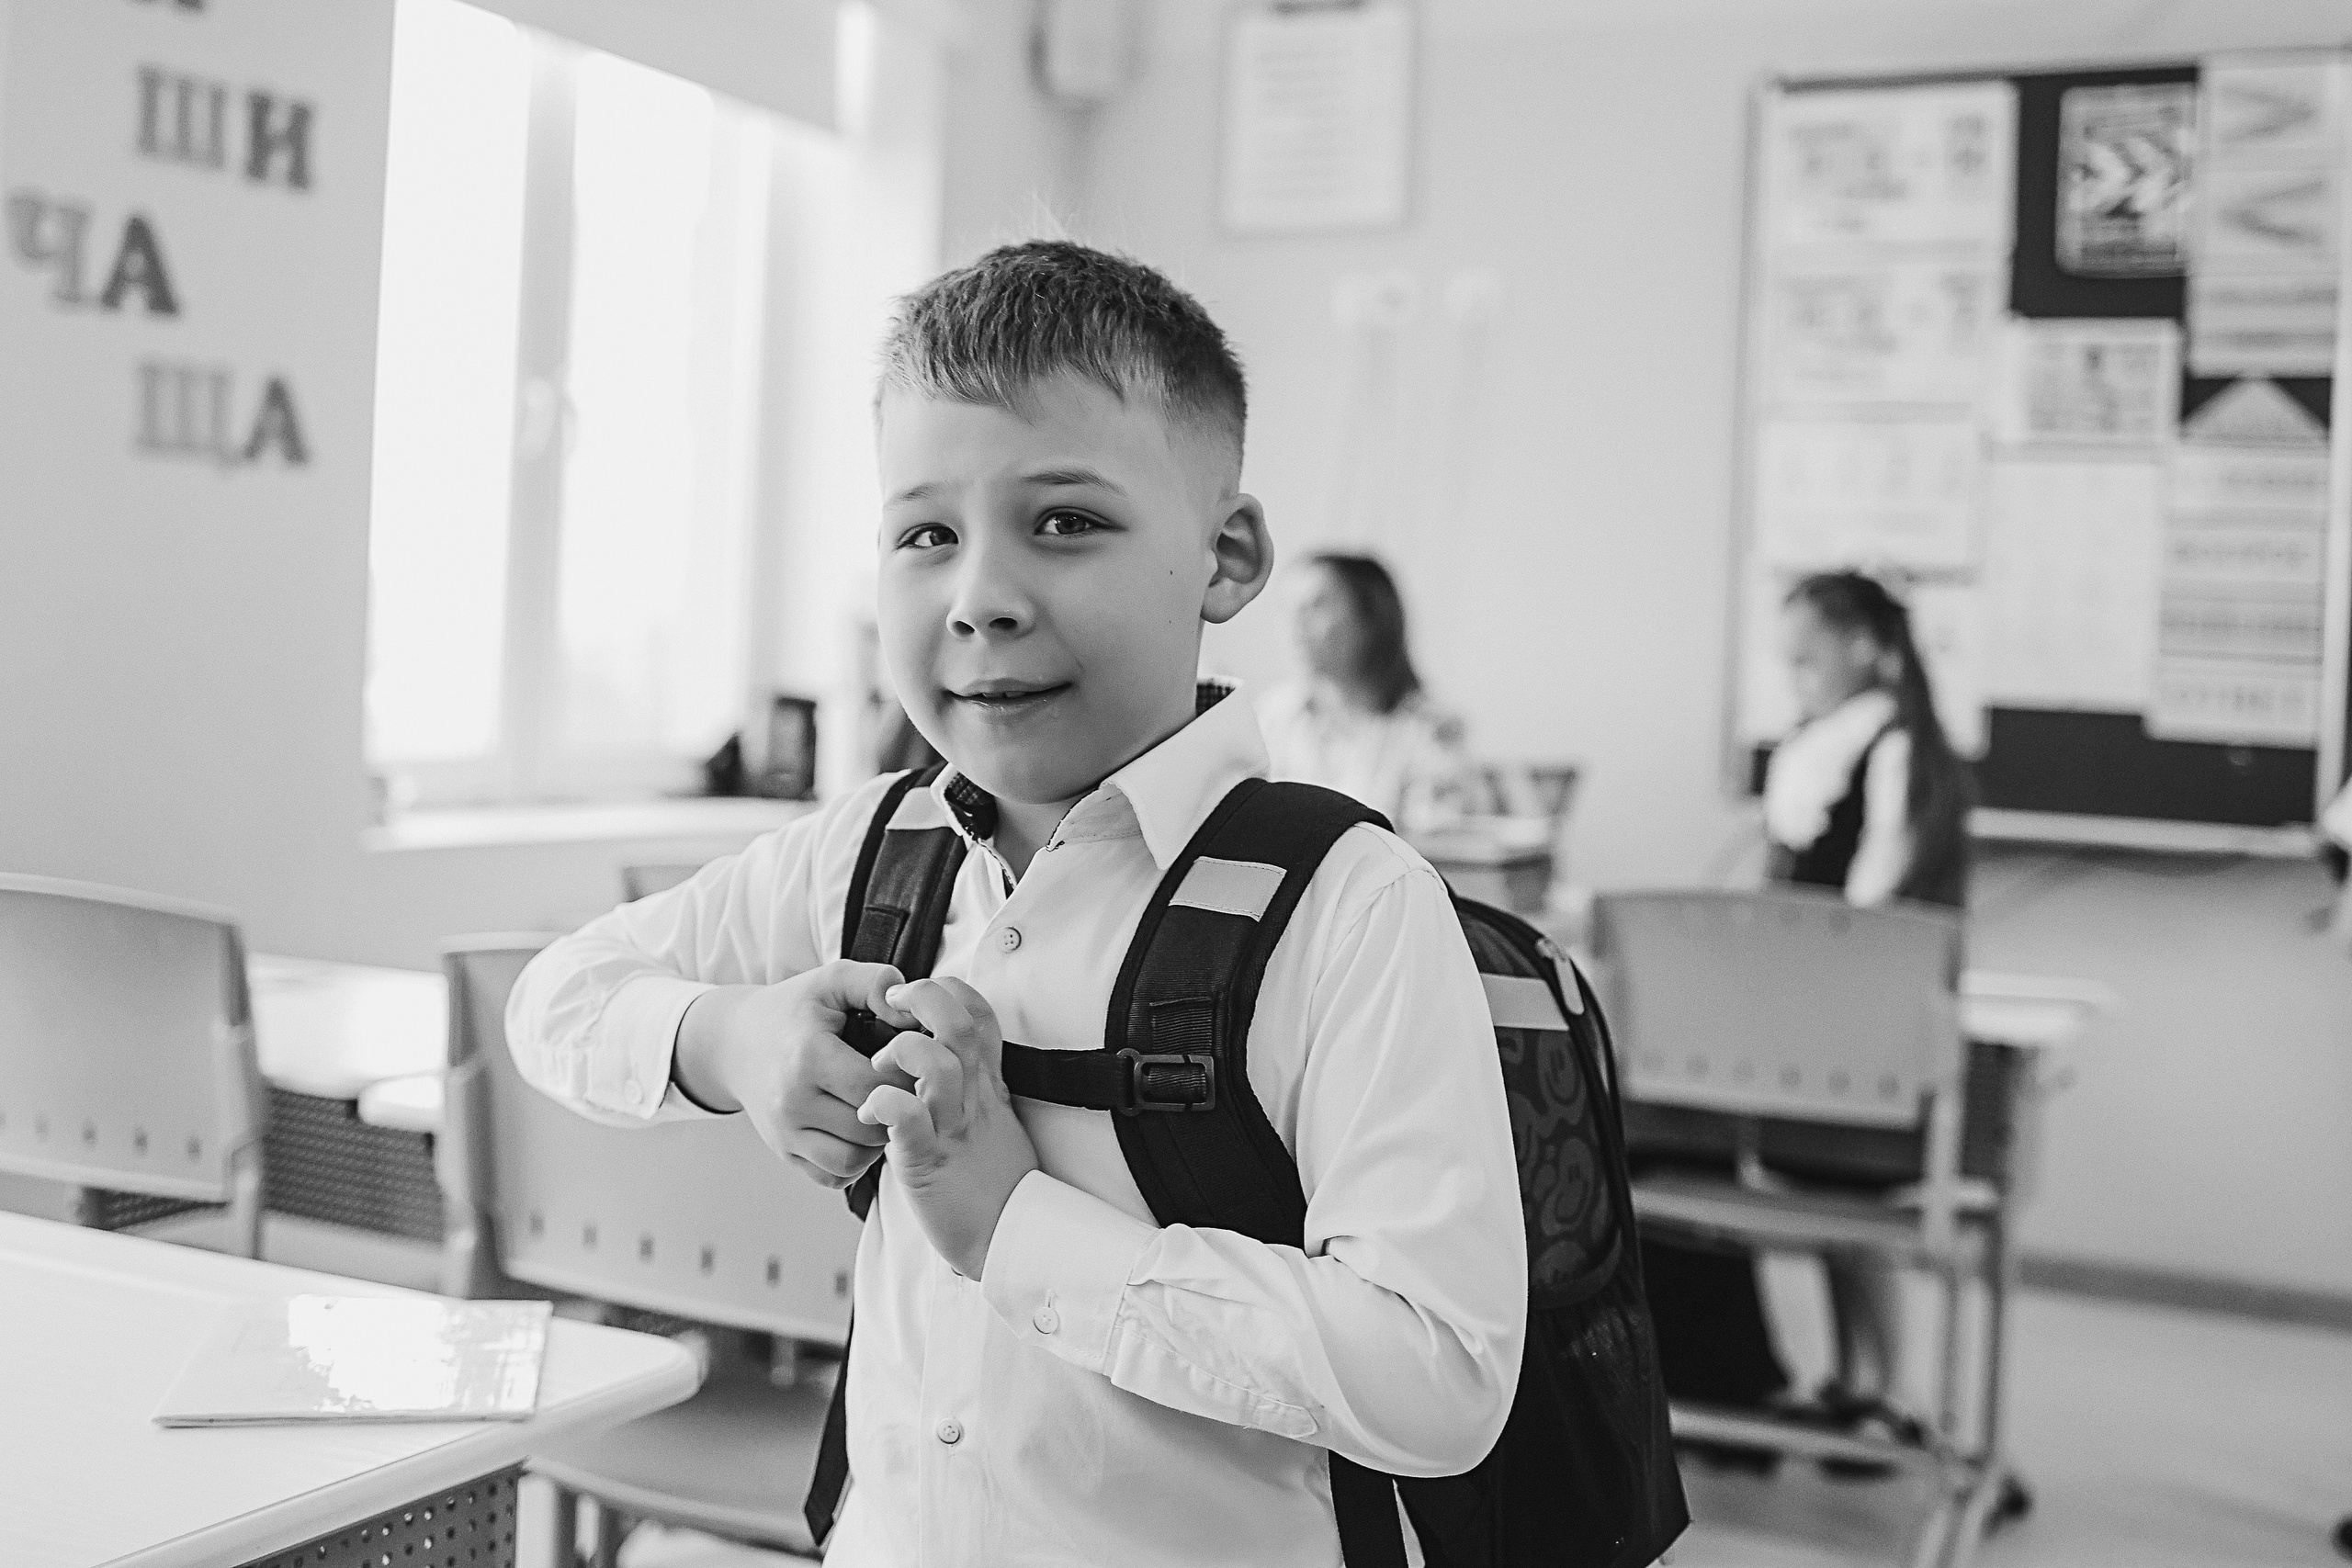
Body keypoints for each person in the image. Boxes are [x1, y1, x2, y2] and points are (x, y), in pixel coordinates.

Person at [506, 241, 1526, 1565]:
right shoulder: (869, 846)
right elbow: (558, 994)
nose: (981, 598)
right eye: (926, 533)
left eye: (1066, 521)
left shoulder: (1347, 903)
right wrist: (730, 1038)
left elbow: (1439, 1373)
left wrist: (1018, 1231)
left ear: (1226, 555)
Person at [1638, 570, 1974, 1473]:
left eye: (1807, 656)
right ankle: (1841, 1388)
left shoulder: (1896, 748)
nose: (1795, 676)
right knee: (1822, 1198)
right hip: (1799, 1021)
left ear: (1864, 646)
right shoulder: (1817, 745)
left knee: (1853, 1200)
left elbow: (1875, 903)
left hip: (1857, 1018)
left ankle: (1882, 1390)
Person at [1257, 553, 1479, 830]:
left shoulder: (1431, 730)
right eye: (1287, 607)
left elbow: (1435, 844)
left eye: (1316, 604)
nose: (1295, 622)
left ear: (1370, 619)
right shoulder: (1271, 716)